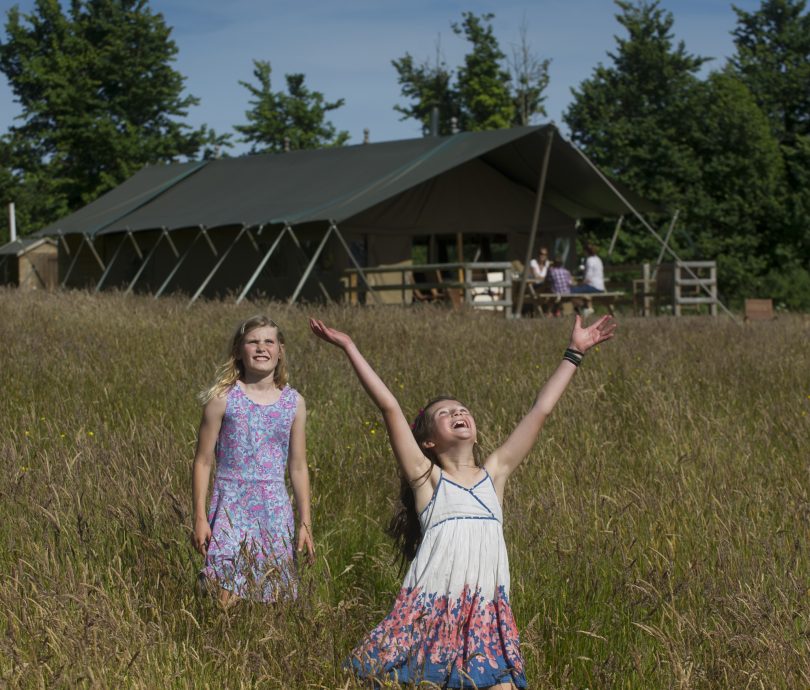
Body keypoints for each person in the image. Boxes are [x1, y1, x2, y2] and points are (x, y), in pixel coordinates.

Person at [309, 314, 616, 688]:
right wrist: (349, 346)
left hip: (487, 617)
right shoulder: (427, 479)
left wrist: (574, 354)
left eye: (462, 409)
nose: (457, 412)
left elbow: (541, 410)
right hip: (434, 613)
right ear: (428, 442)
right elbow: (389, 406)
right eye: (444, 413)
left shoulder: (495, 474)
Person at [191, 315, 314, 605]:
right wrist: (199, 516)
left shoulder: (293, 403)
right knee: (222, 590)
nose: (261, 348)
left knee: (272, 594)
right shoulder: (222, 398)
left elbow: (297, 466)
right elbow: (203, 461)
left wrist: (305, 521)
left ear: (280, 350)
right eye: (252, 341)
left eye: (269, 341)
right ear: (238, 350)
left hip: (274, 507)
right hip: (230, 504)